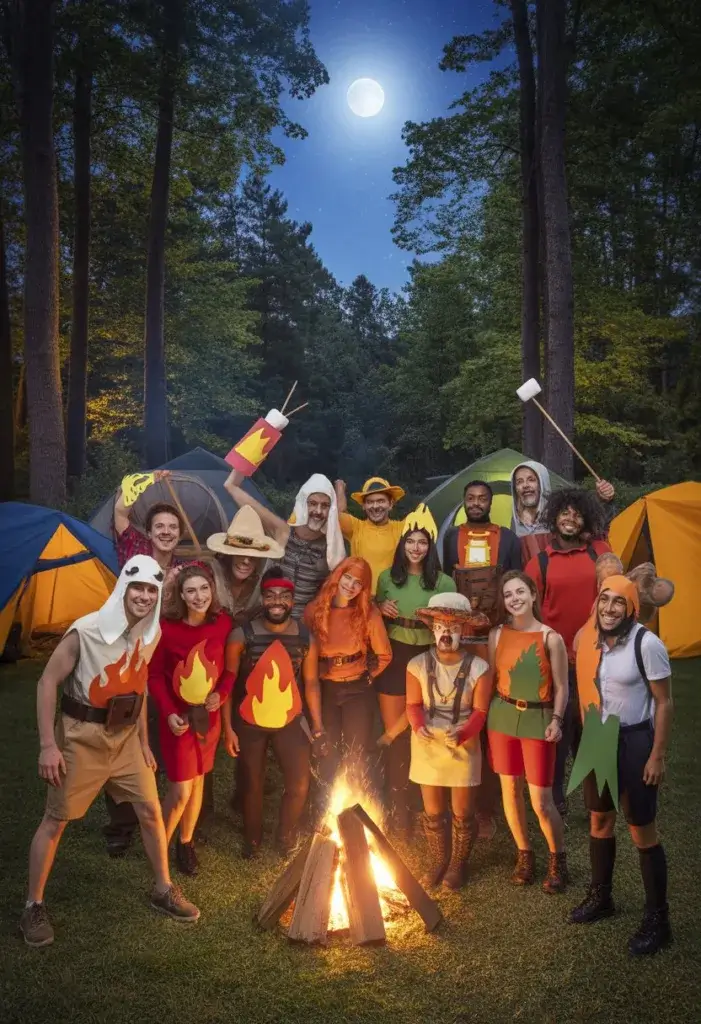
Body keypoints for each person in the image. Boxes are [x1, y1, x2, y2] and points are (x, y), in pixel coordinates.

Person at [20, 556, 199, 948]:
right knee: (56, 819)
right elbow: (47, 682)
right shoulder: (86, 630)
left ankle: (162, 889)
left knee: (151, 811)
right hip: (81, 737)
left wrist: (144, 742)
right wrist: (49, 745)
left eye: (152, 590)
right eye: (138, 588)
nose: (145, 596)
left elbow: (140, 686)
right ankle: (33, 905)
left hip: (126, 739)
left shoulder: (150, 634)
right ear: (123, 587)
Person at [568, 575, 673, 955]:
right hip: (598, 735)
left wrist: (657, 754)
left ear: (632, 608)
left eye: (618, 603)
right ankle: (602, 897)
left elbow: (664, 702)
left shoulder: (648, 643)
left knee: (641, 829)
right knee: (599, 819)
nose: (609, 608)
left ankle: (658, 919)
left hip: (634, 740)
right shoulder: (593, 640)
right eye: (604, 600)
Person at [222, 569, 323, 858]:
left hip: (290, 719)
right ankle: (252, 837)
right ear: (263, 599)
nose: (277, 601)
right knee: (251, 782)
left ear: (293, 601)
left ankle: (286, 834)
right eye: (270, 595)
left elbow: (312, 683)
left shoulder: (305, 637)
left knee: (299, 782)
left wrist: (317, 725)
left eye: (284, 596)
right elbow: (228, 684)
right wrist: (228, 729)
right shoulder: (243, 635)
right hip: (250, 720)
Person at [524, 487, 613, 814]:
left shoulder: (600, 552)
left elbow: (615, 593)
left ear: (585, 518)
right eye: (565, 513)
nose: (571, 518)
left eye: (577, 513)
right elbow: (526, 608)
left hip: (596, 657)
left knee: (592, 728)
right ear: (555, 517)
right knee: (558, 732)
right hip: (556, 660)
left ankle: (598, 795)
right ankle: (557, 798)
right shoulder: (541, 562)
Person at [442, 479, 522, 840]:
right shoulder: (450, 538)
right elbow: (445, 584)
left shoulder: (507, 539)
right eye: (471, 498)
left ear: (491, 503)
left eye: (482, 498)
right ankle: (455, 803)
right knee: (456, 716)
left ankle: (488, 808)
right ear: (463, 502)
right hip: (458, 642)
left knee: (489, 724)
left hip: (493, 642)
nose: (476, 503)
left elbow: (515, 586)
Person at [147, 562, 236, 877]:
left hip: (207, 720)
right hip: (179, 719)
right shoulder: (167, 628)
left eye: (204, 589)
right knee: (181, 789)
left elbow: (229, 670)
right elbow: (154, 675)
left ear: (212, 590)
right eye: (191, 591)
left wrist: (222, 693)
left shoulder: (223, 623)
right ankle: (160, 847)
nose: (199, 596)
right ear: (180, 595)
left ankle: (185, 843)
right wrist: (170, 712)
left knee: (199, 782)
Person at [375, 505, 456, 837]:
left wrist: (436, 619)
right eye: (411, 541)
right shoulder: (385, 578)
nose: (416, 548)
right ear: (402, 544)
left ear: (430, 546)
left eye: (423, 542)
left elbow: (453, 627)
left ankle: (431, 810)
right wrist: (378, 607)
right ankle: (399, 810)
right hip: (394, 656)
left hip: (429, 657)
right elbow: (370, 619)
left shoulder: (444, 581)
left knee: (426, 732)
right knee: (395, 736)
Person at [487, 570, 569, 893]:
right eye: (508, 595)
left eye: (520, 592)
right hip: (502, 717)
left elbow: (562, 687)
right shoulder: (497, 634)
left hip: (538, 718)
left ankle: (557, 858)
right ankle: (524, 853)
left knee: (541, 801)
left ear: (533, 595)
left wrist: (557, 720)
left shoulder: (551, 638)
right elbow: (489, 678)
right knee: (509, 792)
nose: (515, 599)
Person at [405, 593, 491, 890]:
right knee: (432, 809)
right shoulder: (416, 665)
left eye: (454, 627)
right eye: (441, 626)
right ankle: (439, 859)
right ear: (432, 629)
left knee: (462, 810)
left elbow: (481, 710)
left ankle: (458, 864)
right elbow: (413, 704)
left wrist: (466, 732)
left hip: (463, 741)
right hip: (428, 741)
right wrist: (417, 725)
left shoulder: (479, 668)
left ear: (464, 631)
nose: (446, 632)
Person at [305, 557, 391, 803]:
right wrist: (318, 670)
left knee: (357, 750)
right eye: (348, 578)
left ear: (364, 589)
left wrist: (367, 676)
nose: (351, 586)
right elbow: (304, 653)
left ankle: (360, 803)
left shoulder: (368, 614)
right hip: (325, 688)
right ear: (338, 576)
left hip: (357, 689)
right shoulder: (314, 610)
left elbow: (385, 655)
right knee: (327, 750)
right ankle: (326, 807)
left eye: (358, 583)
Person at [225, 469, 345, 620]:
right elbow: (232, 486)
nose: (318, 511)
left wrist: (340, 488)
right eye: (312, 503)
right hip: (265, 620)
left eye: (325, 505)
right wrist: (245, 459)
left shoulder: (332, 543)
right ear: (302, 503)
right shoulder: (282, 532)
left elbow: (339, 511)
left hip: (304, 625)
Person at [511, 460, 616, 564]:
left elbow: (597, 530)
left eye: (531, 480)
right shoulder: (514, 524)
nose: (525, 485)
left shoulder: (563, 516)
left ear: (543, 483)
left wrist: (604, 501)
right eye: (519, 482)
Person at [335, 476, 406, 591]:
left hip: (391, 603)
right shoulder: (355, 527)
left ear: (391, 504)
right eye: (370, 502)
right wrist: (340, 488)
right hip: (360, 599)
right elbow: (338, 513)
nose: (375, 506)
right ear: (363, 506)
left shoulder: (402, 528)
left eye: (381, 501)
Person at [113, 472, 185, 571]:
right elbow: (120, 513)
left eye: (173, 527)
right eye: (159, 526)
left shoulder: (182, 570)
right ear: (149, 533)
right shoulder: (135, 547)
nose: (166, 532)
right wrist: (148, 479)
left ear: (180, 535)